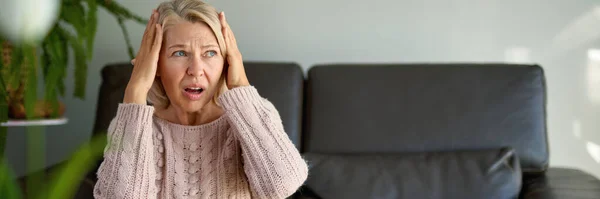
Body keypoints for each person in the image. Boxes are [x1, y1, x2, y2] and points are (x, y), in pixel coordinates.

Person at [93, 0, 308, 198]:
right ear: (156, 64)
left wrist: (241, 85)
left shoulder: (253, 115)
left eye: (210, 53)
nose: (196, 70)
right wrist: (136, 90)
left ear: (227, 61)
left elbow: (283, 184)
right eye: (180, 53)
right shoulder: (134, 127)